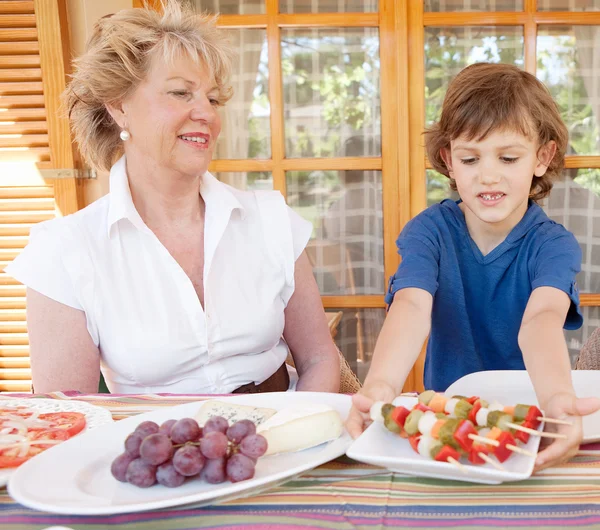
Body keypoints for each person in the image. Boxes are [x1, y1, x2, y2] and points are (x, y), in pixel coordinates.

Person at [5, 1, 340, 395]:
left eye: (213, 99)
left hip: (281, 442)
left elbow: (319, 358)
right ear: (118, 106)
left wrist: (303, 434)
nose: (207, 114)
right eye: (181, 93)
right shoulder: (64, 250)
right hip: (148, 449)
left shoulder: (271, 220)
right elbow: (69, 411)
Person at [347, 63, 600, 471]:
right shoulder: (428, 232)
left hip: (528, 420)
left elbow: (541, 320)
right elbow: (411, 306)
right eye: (470, 158)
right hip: (447, 421)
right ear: (448, 160)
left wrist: (557, 400)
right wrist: (380, 386)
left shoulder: (554, 245)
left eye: (507, 157)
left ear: (542, 157)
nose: (487, 175)